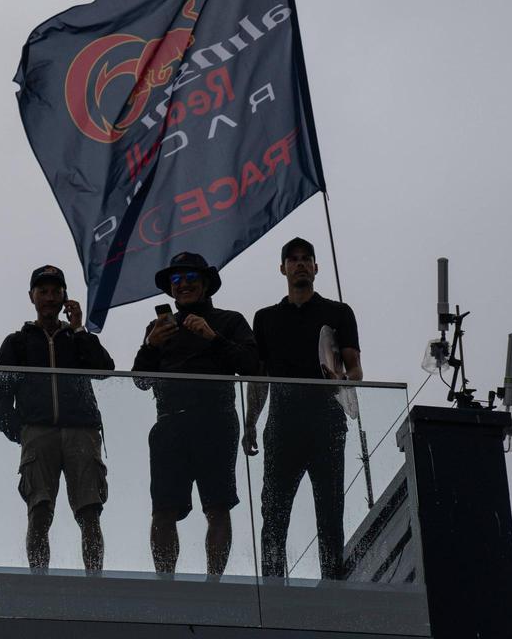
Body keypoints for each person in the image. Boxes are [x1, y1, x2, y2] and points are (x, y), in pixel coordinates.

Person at [242, 237, 363, 579]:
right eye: (293, 260)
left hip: (326, 421)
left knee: (330, 511)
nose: (299, 264)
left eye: (306, 259)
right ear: (282, 268)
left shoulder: (338, 313)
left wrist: (344, 378)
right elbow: (260, 376)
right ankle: (273, 585)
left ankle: (333, 584)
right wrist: (250, 422)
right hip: (282, 424)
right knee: (274, 513)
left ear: (315, 267)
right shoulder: (266, 318)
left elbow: (355, 368)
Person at [132, 252, 258, 575]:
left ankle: (213, 583)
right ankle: (166, 583)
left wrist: (213, 338)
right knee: (162, 508)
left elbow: (253, 367)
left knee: (217, 506)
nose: (183, 284)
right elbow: (140, 381)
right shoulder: (157, 328)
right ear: (171, 290)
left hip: (216, 422)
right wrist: (150, 345)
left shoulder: (229, 321)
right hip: (170, 423)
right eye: (176, 280)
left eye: (190, 278)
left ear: (205, 285)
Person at [0, 265, 114, 571]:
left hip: (81, 430)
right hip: (38, 432)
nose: (49, 297)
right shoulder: (17, 342)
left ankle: (95, 581)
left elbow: (104, 369)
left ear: (64, 297)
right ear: (31, 296)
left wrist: (80, 328)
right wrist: (23, 432)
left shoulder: (75, 338)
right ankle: (39, 580)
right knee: (39, 509)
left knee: (89, 510)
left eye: (55, 291)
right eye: (42, 291)